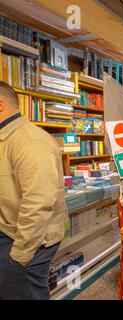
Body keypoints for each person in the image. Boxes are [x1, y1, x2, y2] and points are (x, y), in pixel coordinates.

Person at [0, 81, 68, 299]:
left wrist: (20, 255)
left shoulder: (30, 141)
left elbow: (39, 202)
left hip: (27, 243)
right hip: (12, 234)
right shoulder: (8, 138)